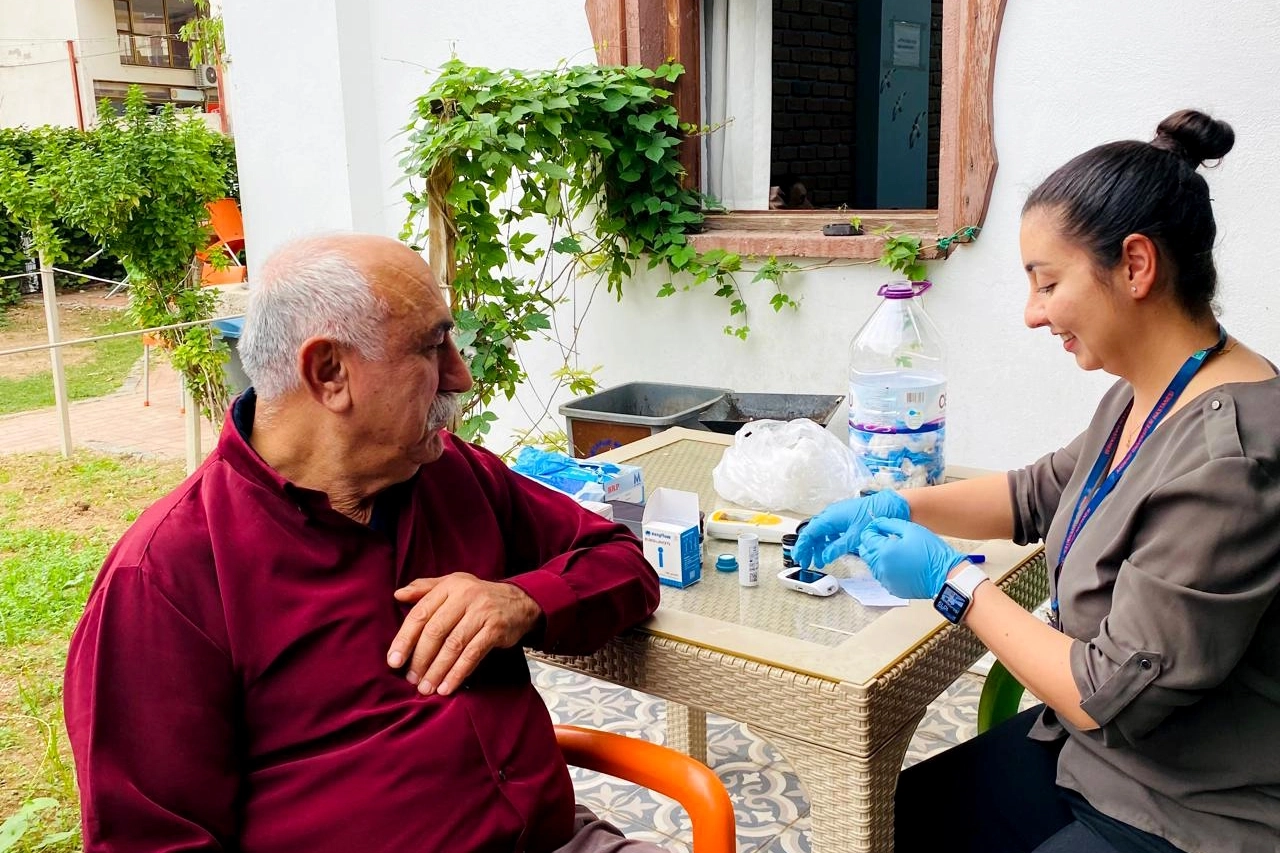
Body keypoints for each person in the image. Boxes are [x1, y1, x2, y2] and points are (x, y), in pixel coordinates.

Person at [63, 233, 665, 853]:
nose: (460, 375)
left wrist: (523, 601)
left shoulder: (452, 473)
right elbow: (149, 840)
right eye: (432, 346)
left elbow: (622, 563)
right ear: (329, 374)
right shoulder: (166, 576)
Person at [794, 110, 1280, 853]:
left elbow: (1105, 692)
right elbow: (1036, 492)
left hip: (1189, 812)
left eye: (1047, 283)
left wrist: (952, 582)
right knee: (894, 819)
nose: (1032, 314)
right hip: (1096, 758)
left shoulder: (1230, 462)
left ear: (1137, 266)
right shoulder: (1149, 393)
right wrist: (890, 504)